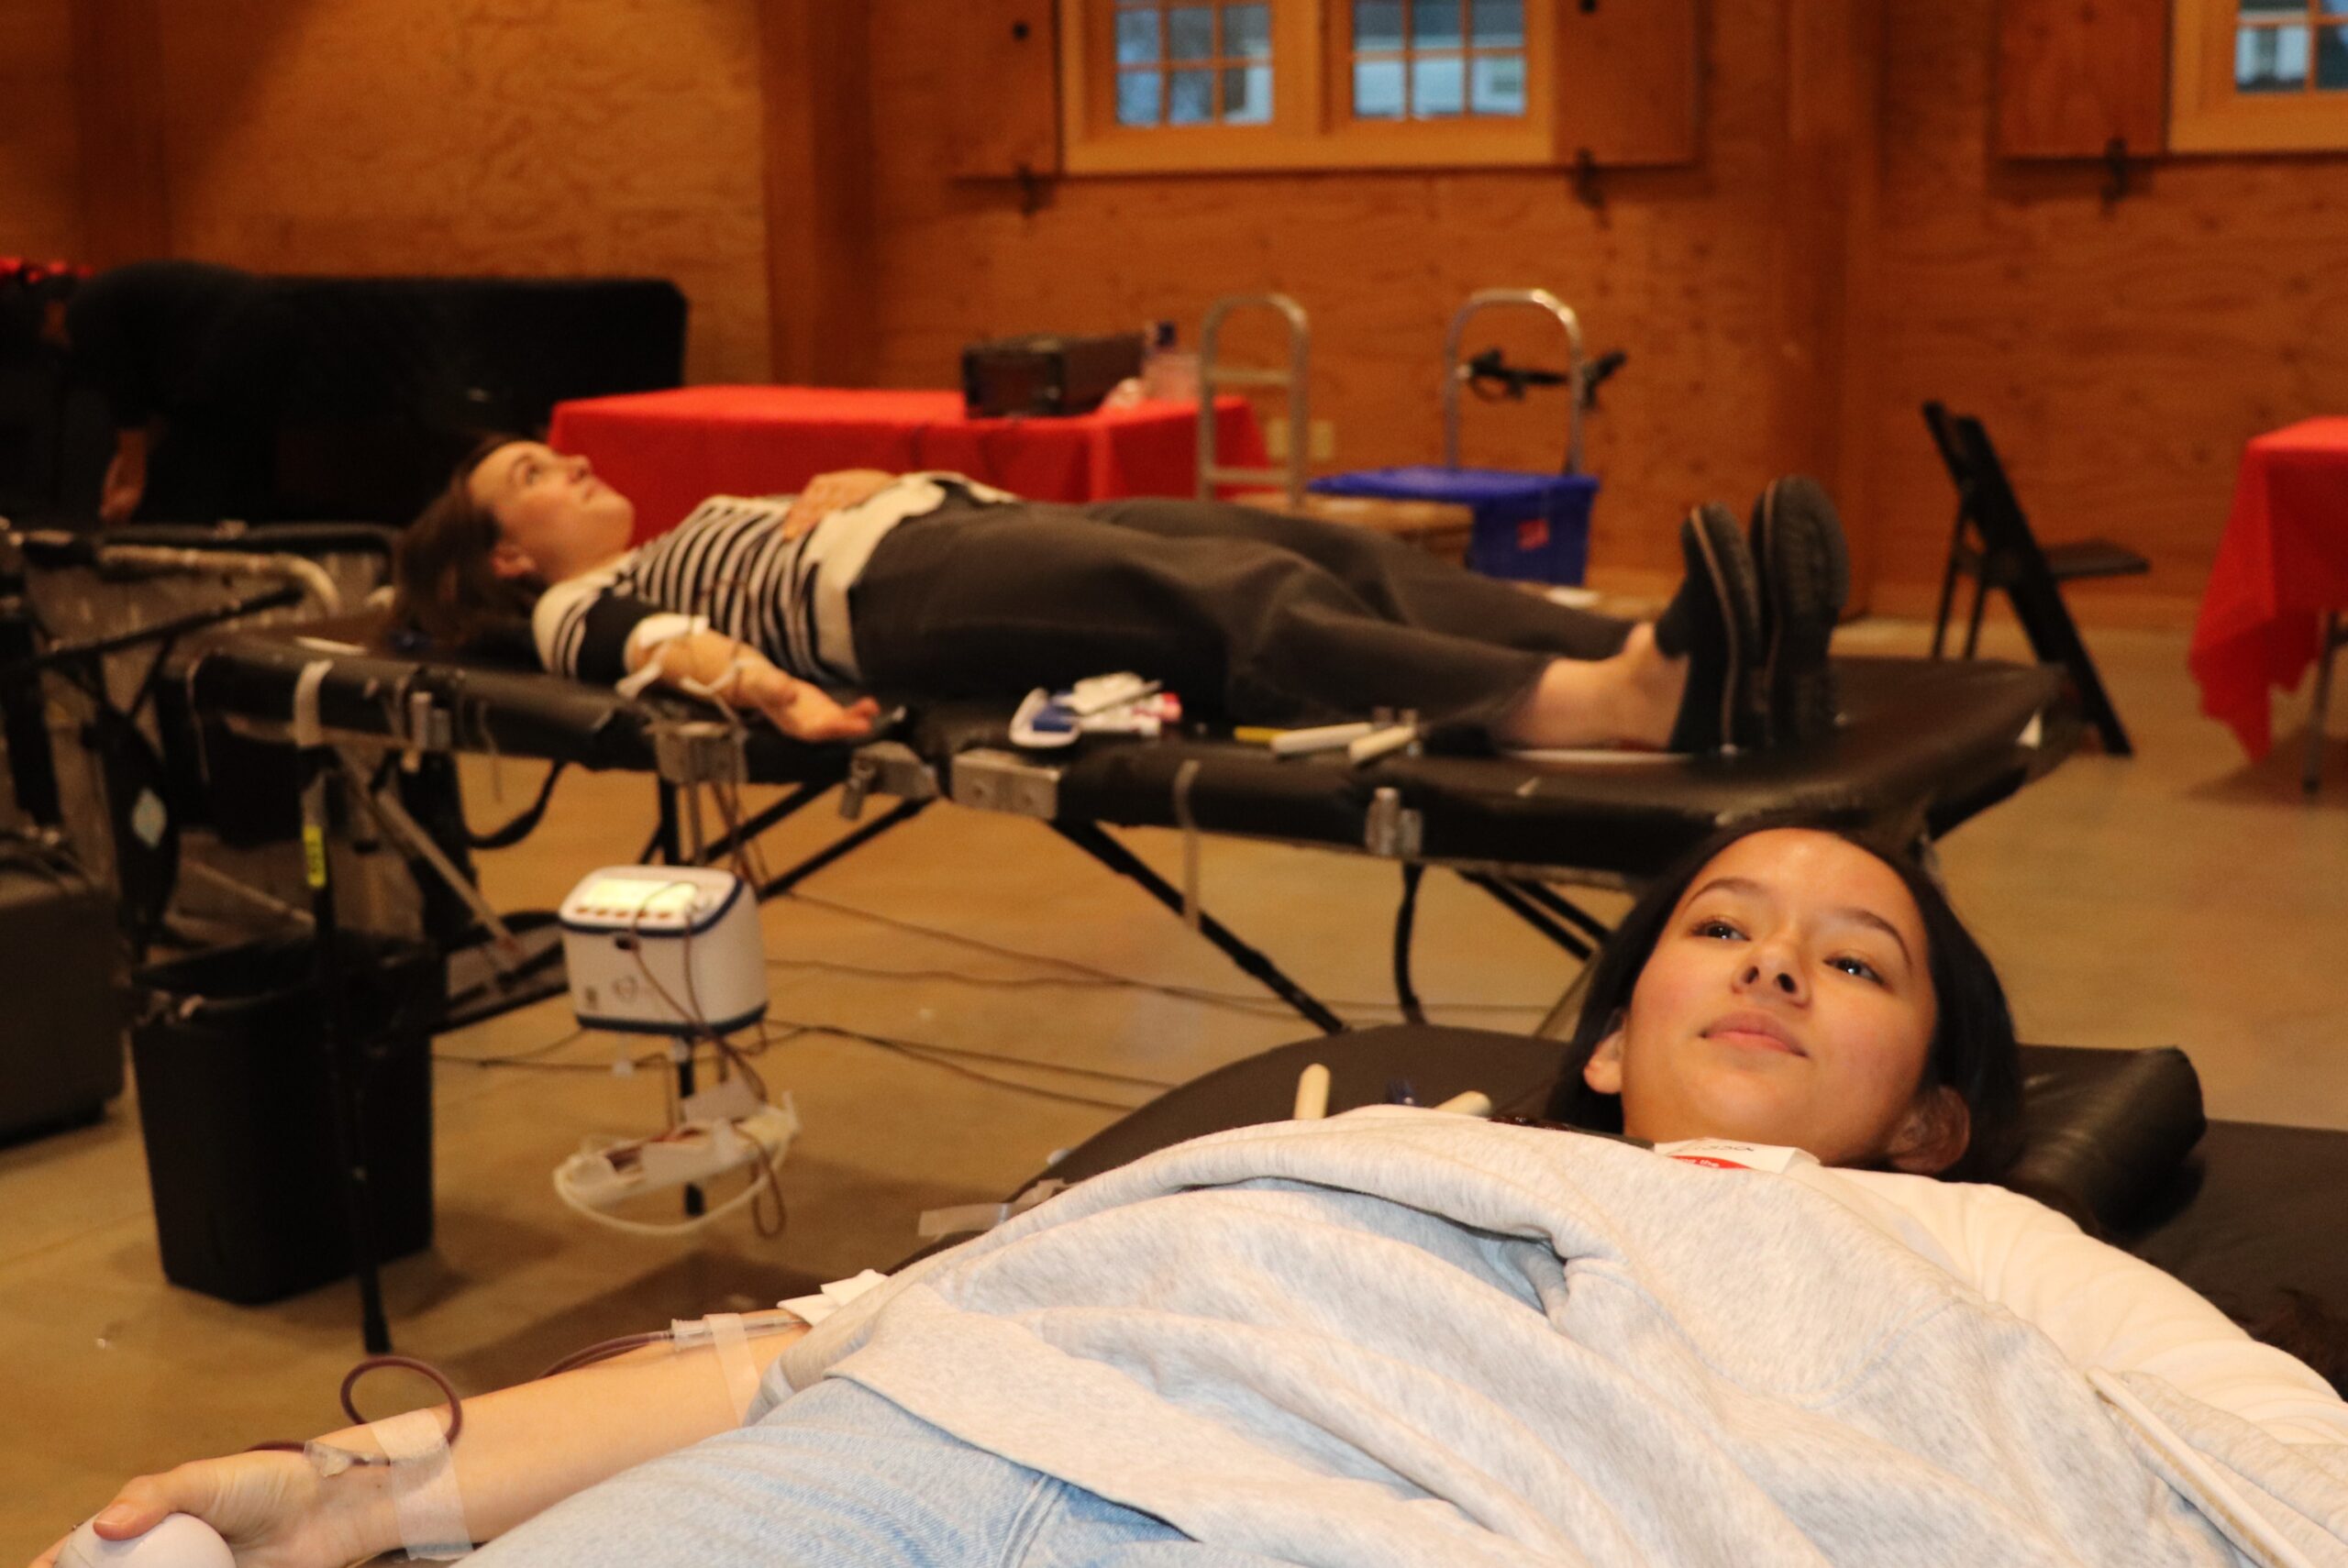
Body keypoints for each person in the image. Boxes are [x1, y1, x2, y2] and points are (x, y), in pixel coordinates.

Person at [39, 826, 2348, 1568]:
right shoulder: (1363, 1145)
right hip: (947, 1441)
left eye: (1852, 963)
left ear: (1929, 1114)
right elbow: (829, 1339)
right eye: (1719, 927)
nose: (1767, 963)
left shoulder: (1974, 1249)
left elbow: (2277, 1478)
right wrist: (351, 1487)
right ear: (1606, 1032)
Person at [390, 438, 1856, 755]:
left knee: (1313, 547)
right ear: (504, 556)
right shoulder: (567, 611)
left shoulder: (673, 530)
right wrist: (784, 700)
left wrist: (865, 482)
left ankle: (1675, 651)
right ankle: (1605, 704)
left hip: (955, 532)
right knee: (1235, 598)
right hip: (900, 599)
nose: (570, 464)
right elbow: (668, 647)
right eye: (533, 472)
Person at [59, 260, 303, 525]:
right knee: (231, 457)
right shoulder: (111, 297)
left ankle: (199, 530)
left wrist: (132, 481)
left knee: (199, 468)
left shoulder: (82, 311)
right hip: (269, 318)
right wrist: (130, 463)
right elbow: (147, 401)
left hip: (232, 335)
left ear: (51, 309)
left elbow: (125, 394)